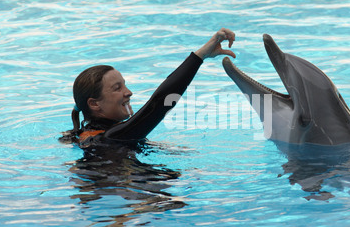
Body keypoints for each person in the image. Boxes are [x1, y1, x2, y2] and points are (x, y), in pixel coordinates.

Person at [60, 28, 236, 147]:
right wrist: (200, 55)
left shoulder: (92, 136)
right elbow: (160, 103)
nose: (129, 92)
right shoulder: (111, 137)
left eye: (125, 85)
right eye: (117, 88)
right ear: (94, 104)